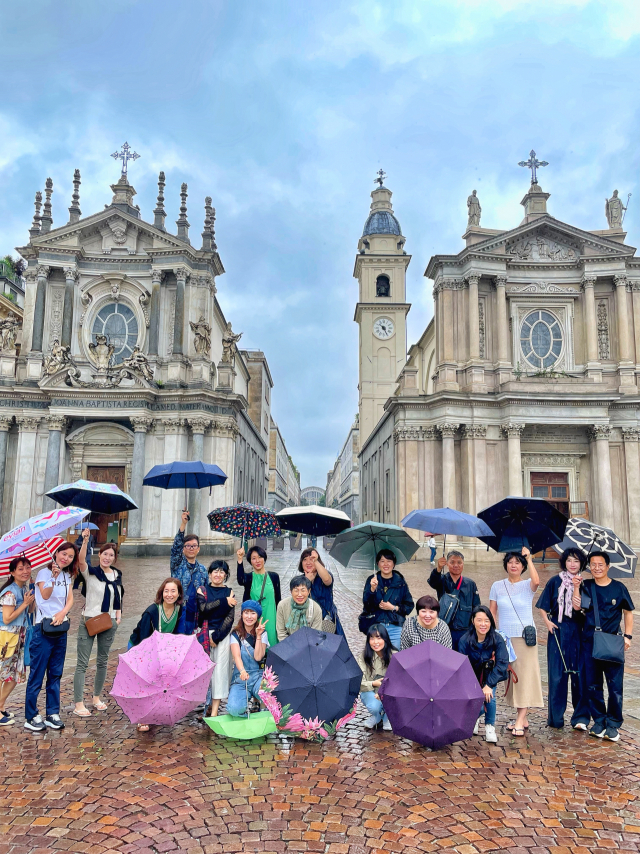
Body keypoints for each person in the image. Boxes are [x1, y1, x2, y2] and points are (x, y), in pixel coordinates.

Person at [580, 551, 634, 742]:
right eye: (593, 564)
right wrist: (575, 588)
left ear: (607, 566)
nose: (596, 568)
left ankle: (613, 724)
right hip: (590, 643)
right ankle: (599, 721)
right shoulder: (585, 586)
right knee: (593, 685)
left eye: (600, 564)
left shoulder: (619, 588)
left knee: (615, 687)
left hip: (612, 644)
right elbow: (577, 608)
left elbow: (628, 612)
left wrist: (628, 636)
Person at [24, 542, 77, 732]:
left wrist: (63, 613)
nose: (66, 558)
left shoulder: (67, 575)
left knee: (55, 673)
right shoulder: (43, 573)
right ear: (56, 553)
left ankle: (52, 713)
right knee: (37, 674)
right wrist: (53, 577)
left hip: (60, 629)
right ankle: (31, 716)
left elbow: (70, 599)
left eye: (70, 556)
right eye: (64, 554)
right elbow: (45, 596)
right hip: (43, 629)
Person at [489, 548, 542, 737]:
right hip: (505, 638)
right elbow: (492, 612)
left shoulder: (527, 585)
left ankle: (520, 719)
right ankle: (522, 717)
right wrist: (493, 637)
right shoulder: (497, 586)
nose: (513, 565)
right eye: (510, 562)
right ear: (505, 565)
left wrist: (530, 558)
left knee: (524, 677)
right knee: (512, 678)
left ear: (523, 566)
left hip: (524, 639)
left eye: (518, 562)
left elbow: (537, 582)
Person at [535, 547, 590, 731]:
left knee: (579, 674)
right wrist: (547, 622)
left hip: (578, 631)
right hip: (557, 630)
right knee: (557, 675)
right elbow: (542, 605)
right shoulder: (554, 581)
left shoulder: (585, 585)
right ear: (564, 562)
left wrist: (576, 587)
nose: (572, 564)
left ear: (581, 564)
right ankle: (556, 718)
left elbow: (579, 609)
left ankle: (580, 718)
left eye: (576, 561)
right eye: (569, 560)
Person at [73, 530, 124, 717]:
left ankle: (96, 698)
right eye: (105, 554)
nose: (107, 558)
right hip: (89, 620)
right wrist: (85, 541)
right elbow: (81, 561)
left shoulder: (117, 574)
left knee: (102, 661)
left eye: (111, 555)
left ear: (114, 558)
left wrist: (118, 616)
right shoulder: (91, 572)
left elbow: (119, 595)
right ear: (99, 554)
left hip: (108, 621)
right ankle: (79, 703)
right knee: (82, 663)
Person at [128, 578, 187, 732]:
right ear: (161, 593)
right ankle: (142, 717)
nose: (169, 594)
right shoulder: (152, 611)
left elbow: (177, 634)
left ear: (179, 594)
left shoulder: (179, 610)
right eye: (166, 591)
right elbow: (143, 638)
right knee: (145, 682)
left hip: (161, 649)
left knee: (160, 681)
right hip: (140, 646)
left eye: (173, 591)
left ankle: (153, 711)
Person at [458, 606, 509, 743]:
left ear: (491, 622)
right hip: (471, 677)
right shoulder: (464, 640)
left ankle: (489, 726)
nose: (483, 624)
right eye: (479, 620)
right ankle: (474, 718)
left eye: (486, 621)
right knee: (477, 705)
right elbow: (462, 666)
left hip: (490, 674)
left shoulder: (497, 639)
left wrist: (489, 685)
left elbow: (502, 663)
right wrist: (472, 687)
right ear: (473, 621)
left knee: (489, 697)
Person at [197, 561, 236, 717]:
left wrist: (217, 636)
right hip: (203, 635)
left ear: (225, 575)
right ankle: (205, 705)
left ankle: (214, 711)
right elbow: (203, 610)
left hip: (222, 635)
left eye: (221, 572)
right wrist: (223, 602)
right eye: (215, 571)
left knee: (219, 673)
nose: (218, 575)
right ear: (210, 573)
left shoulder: (229, 591)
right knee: (204, 672)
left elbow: (229, 618)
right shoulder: (202, 590)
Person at [0, 557, 34, 725]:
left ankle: (0, 705)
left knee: (14, 674)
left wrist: (32, 596)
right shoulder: (10, 593)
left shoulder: (24, 589)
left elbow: (30, 611)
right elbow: (7, 619)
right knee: (2, 674)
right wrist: (24, 604)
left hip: (19, 637)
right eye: (20, 569)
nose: (25, 571)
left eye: (27, 567)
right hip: (7, 638)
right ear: (12, 572)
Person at [428, 550, 481, 650]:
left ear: (463, 564)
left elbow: (477, 607)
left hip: (465, 632)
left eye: (459, 562)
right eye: (452, 562)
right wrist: (438, 569)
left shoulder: (470, 584)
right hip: (446, 630)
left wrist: (476, 630)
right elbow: (433, 582)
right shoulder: (442, 580)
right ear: (447, 564)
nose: (456, 565)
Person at [362, 550, 414, 649]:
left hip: (396, 627)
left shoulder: (400, 582)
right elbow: (367, 605)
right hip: (376, 626)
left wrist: (393, 607)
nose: (385, 564)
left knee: (395, 655)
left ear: (394, 564)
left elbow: (409, 606)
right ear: (378, 564)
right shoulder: (372, 580)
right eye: (382, 561)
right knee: (377, 655)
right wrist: (372, 590)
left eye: (389, 561)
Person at [227, 601, 269, 718]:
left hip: (258, 676)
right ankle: (246, 715)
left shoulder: (263, 633)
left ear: (257, 616)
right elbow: (237, 656)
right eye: (246, 612)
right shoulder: (235, 634)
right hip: (241, 678)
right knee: (234, 709)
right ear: (242, 614)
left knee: (269, 695)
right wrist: (242, 671)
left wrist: (259, 636)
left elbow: (258, 657)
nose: (249, 617)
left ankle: (263, 712)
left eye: (253, 613)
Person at [170, 508, 207, 635]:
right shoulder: (177, 564)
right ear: (183, 548)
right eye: (187, 546)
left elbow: (206, 592)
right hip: (178, 614)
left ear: (198, 549)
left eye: (194, 546)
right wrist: (183, 524)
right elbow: (176, 548)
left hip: (195, 617)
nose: (191, 548)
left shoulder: (203, 570)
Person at [236, 545, 281, 647]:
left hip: (271, 617)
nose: (257, 561)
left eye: (260, 557)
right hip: (254, 617)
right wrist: (240, 559)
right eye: (254, 558)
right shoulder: (249, 577)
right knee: (256, 643)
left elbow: (278, 599)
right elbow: (240, 580)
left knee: (272, 641)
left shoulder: (274, 577)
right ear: (250, 561)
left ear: (264, 559)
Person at [357, 623, 394, 731]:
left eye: (378, 638)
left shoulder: (394, 655)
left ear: (385, 639)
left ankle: (387, 717)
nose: (375, 642)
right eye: (372, 638)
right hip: (370, 691)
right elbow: (359, 682)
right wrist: (373, 684)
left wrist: (383, 691)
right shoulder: (364, 657)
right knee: (374, 707)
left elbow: (399, 681)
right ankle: (377, 716)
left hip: (389, 692)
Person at [299, 548, 343, 634]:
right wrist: (306, 581)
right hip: (307, 623)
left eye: (311, 559)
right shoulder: (299, 580)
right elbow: (298, 600)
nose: (308, 562)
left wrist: (315, 561)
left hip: (326, 623)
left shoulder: (324, 576)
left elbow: (327, 580)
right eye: (305, 559)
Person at [276, 575, 323, 641]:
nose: (300, 594)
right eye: (296, 590)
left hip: (309, 644)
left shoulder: (316, 608)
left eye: (303, 590)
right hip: (287, 643)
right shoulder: (282, 605)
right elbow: (281, 632)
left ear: (309, 591)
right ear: (291, 591)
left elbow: (315, 634)